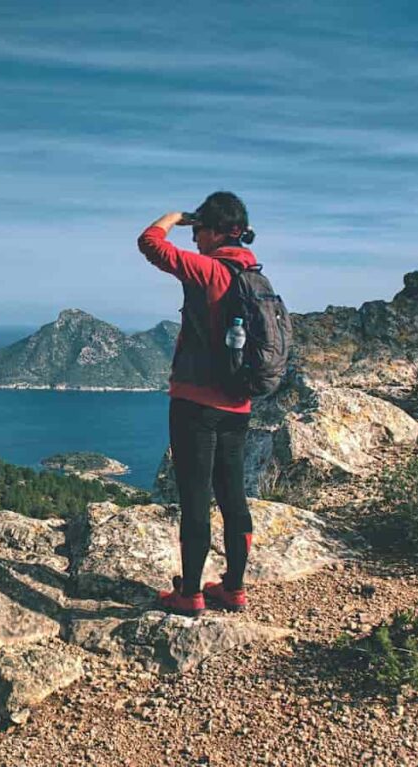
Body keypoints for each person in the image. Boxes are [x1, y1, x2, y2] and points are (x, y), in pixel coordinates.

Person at [137, 191, 256, 617]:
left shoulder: (208, 270)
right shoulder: (253, 274)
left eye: (199, 231)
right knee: (232, 496)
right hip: (238, 406)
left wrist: (174, 217)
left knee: (195, 497)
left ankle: (190, 593)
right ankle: (234, 588)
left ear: (215, 230)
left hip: (195, 405)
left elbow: (150, 243)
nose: (195, 240)